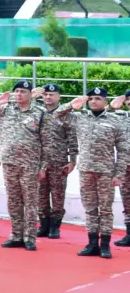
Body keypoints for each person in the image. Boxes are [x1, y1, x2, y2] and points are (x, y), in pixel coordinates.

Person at [54, 88, 129, 259]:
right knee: (90, 209)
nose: (93, 101)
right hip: (86, 170)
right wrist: (70, 105)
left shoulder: (115, 120)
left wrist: (119, 173)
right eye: (91, 99)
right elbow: (56, 116)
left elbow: (123, 150)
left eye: (97, 98)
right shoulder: (80, 118)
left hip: (106, 172)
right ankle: (92, 242)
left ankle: (105, 245)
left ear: (105, 101)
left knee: (105, 210)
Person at [0, 80, 46, 251]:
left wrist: (43, 166)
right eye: (16, 91)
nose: (19, 94)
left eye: (23, 91)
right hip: (9, 161)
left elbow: (46, 142)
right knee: (14, 201)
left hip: (30, 163)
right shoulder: (5, 110)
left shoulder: (40, 113)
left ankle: (29, 237)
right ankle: (16, 235)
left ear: (31, 94)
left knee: (30, 202)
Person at [33, 84, 76, 239]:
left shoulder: (66, 115)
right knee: (40, 194)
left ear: (59, 97)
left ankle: (55, 226)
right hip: (39, 161)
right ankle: (43, 225)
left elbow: (72, 139)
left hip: (59, 161)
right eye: (45, 95)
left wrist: (72, 161)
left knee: (58, 195)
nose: (48, 97)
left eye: (52, 94)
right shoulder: (36, 113)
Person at [113, 91, 130, 248]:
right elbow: (101, 117)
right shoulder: (121, 117)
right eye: (129, 100)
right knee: (127, 200)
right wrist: (112, 107)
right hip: (125, 166)